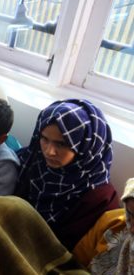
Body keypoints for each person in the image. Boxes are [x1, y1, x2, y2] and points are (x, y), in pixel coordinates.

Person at [15, 99, 119, 251]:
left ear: (85, 146)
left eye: (61, 144)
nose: (49, 152)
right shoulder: (30, 161)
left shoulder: (100, 198)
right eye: (44, 139)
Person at [71, 178, 134, 275]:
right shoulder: (112, 223)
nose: (131, 228)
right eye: (130, 214)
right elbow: (74, 264)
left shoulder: (100, 195)